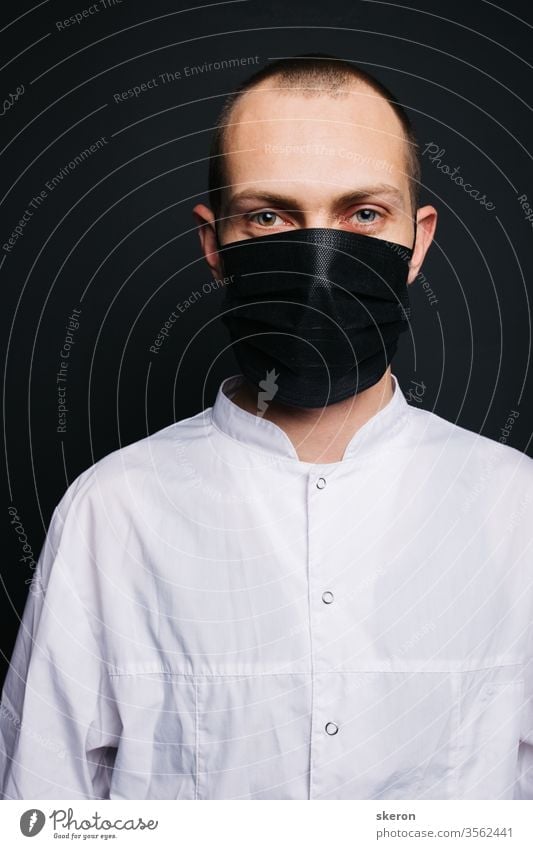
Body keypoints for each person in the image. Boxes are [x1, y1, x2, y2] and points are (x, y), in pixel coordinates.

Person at [1, 54, 532, 801]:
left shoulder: (517, 511)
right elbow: (38, 807)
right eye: (270, 215)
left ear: (416, 242)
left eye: (362, 213)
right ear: (214, 244)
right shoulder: (110, 513)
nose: (318, 255)